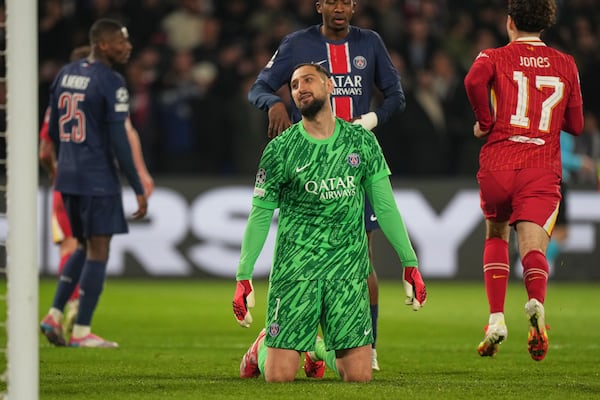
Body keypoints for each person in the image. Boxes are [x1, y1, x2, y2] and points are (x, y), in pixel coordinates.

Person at [232, 63, 426, 383]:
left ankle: (318, 349)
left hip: (347, 270)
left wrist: (410, 262)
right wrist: (244, 274)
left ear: (329, 86)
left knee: (359, 377)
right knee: (279, 377)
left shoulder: (361, 142)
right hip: (296, 270)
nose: (300, 88)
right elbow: (260, 214)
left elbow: (385, 207)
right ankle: (262, 345)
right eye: (293, 85)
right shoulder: (280, 150)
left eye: (308, 80)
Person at [247, 0, 405, 371]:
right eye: (331, 0)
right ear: (319, 6)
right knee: (304, 257)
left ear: (354, 7)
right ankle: (285, 340)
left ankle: (367, 344)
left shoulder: (370, 43)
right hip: (308, 160)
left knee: (361, 259)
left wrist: (369, 120)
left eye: (346, 1)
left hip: (352, 161)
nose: (339, 7)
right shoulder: (296, 45)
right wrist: (273, 103)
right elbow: (258, 87)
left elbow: (396, 96)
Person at [464, 0, 583, 361]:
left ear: (510, 22)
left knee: (496, 233)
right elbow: (576, 126)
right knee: (533, 247)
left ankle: (496, 318)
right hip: (540, 167)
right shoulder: (566, 64)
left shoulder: (491, 56)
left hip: (499, 162)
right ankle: (535, 304)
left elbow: (472, 81)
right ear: (544, 25)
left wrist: (485, 121)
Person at [39, 18, 148, 348]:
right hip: (97, 178)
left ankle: (55, 315)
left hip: (68, 176)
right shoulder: (111, 81)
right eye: (121, 41)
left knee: (83, 245)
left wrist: (62, 164)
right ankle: (83, 331)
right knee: (99, 251)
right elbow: (119, 139)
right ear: (103, 44)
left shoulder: (65, 73)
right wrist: (138, 186)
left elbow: (54, 132)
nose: (127, 47)